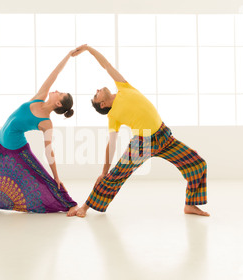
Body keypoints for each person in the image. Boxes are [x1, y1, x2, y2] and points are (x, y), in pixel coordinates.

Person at [70, 45, 209, 218]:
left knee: (198, 164)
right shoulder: (113, 116)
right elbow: (111, 144)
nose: (97, 90)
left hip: (164, 136)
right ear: (103, 105)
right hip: (143, 143)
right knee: (116, 176)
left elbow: (106, 65)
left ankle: (190, 205)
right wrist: (104, 172)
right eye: (96, 96)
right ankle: (85, 206)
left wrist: (87, 49)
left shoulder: (123, 87)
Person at [0, 49, 79, 215]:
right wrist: (68, 56)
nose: (56, 90)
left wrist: (57, 176)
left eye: (60, 93)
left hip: (18, 152)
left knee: (42, 179)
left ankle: (70, 204)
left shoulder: (46, 123)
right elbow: (54, 74)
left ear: (59, 104)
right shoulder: (40, 96)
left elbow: (48, 150)